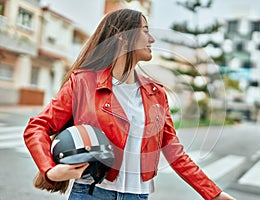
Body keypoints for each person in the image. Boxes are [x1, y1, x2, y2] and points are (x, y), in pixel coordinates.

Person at [23, 8, 235, 200]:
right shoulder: (83, 82)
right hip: (92, 192)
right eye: (145, 31)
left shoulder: (156, 94)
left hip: (138, 195)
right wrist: (50, 170)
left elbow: (175, 153)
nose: (151, 39)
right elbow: (37, 127)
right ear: (124, 37)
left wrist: (213, 194)